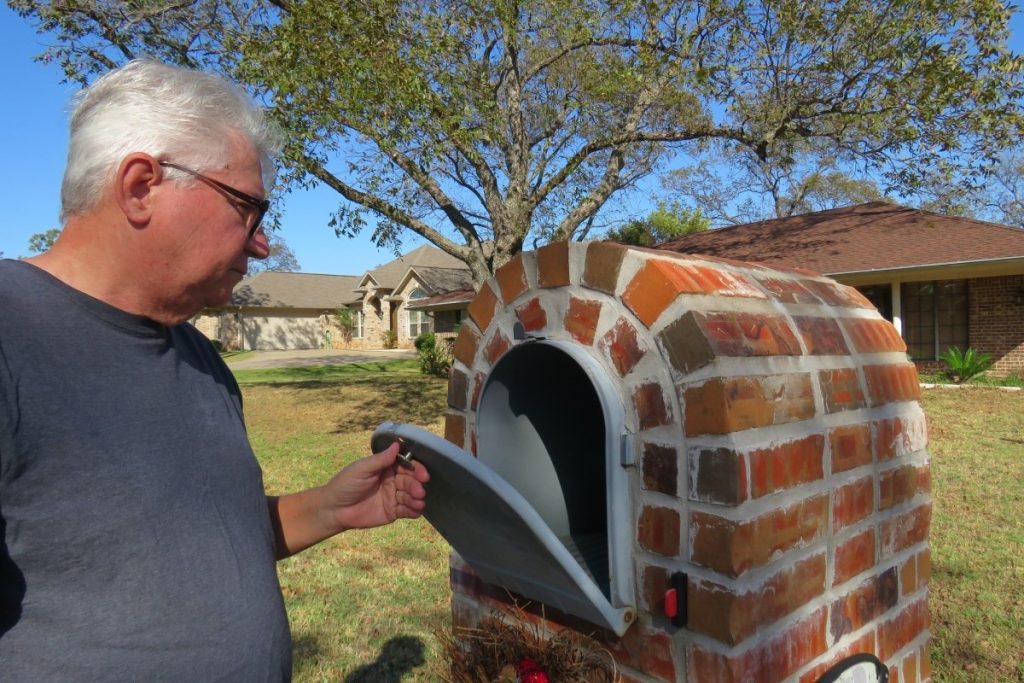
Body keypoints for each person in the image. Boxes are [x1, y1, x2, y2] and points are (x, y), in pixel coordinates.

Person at [0, 60, 430, 681]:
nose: (260, 243)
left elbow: (209, 539)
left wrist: (330, 509)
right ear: (142, 186)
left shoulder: (196, 355)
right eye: (248, 208)